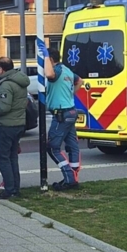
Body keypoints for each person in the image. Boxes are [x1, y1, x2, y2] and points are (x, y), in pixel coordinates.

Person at [0, 57, 30, 200]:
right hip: (19, 123)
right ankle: (15, 188)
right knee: (13, 157)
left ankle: (9, 190)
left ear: (1, 68)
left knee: (3, 158)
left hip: (7, 124)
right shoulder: (20, 81)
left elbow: (4, 107)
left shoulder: (5, 85)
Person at [44, 47, 82, 191]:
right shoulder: (67, 70)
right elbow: (80, 81)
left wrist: (46, 56)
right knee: (72, 146)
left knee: (52, 147)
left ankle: (69, 178)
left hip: (61, 113)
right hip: (70, 111)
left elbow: (49, 74)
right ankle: (74, 177)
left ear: (51, 59)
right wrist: (70, 94)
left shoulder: (58, 70)